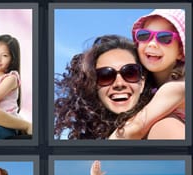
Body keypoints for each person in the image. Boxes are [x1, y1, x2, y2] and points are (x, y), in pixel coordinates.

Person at [54, 33, 184, 140]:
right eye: (105, 75)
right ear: (94, 85)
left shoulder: (164, 127)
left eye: (130, 73)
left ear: (142, 82)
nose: (119, 84)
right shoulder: (92, 135)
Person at [109, 9, 185, 139]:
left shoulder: (180, 86)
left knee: (164, 126)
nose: (152, 44)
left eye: (165, 38)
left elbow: (136, 127)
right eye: (144, 35)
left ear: (180, 51)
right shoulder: (146, 88)